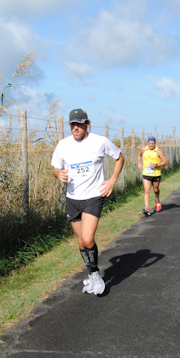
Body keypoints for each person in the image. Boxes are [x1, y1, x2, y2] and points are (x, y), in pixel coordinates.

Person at [51, 108, 125, 295]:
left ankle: (96, 275)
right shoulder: (63, 145)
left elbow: (119, 157)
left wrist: (112, 180)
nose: (76, 127)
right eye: (73, 124)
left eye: (79, 124)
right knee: (81, 241)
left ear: (87, 124)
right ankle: (92, 272)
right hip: (73, 198)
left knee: (87, 238)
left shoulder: (100, 142)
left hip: (93, 196)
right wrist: (58, 174)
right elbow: (55, 168)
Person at [137, 135, 168, 216]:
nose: (151, 145)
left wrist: (156, 165)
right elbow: (139, 155)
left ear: (155, 143)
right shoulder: (144, 149)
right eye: (150, 143)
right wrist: (139, 163)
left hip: (156, 174)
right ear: (147, 143)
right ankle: (146, 208)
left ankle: (157, 201)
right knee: (147, 190)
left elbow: (165, 162)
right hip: (146, 173)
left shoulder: (159, 151)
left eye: (153, 143)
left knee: (156, 190)